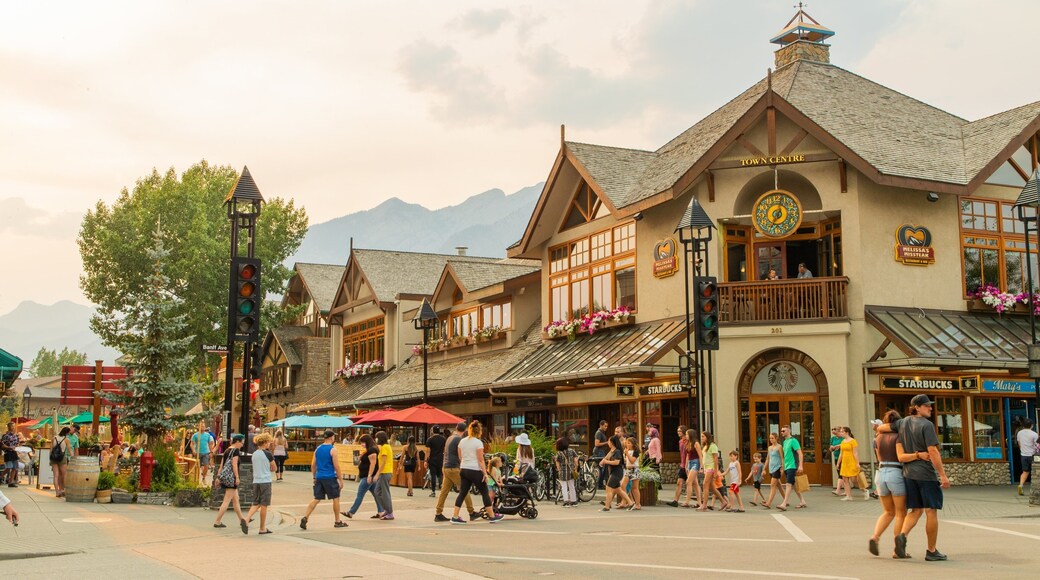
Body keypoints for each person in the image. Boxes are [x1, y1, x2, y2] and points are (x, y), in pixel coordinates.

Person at [886, 395, 950, 562]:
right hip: (925, 474)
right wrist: (943, 475)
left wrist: (879, 429)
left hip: (909, 474)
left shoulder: (902, 422)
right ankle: (931, 550)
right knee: (931, 511)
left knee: (915, 510)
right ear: (917, 407)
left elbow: (883, 427)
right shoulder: (927, 425)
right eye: (927, 406)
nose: (930, 408)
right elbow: (933, 451)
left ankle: (902, 535)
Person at [870, 410, 907, 558]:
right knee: (900, 513)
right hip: (895, 471)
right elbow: (901, 456)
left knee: (888, 511)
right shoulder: (899, 436)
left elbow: (877, 455)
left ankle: (875, 537)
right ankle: (897, 549)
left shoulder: (877, 437)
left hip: (880, 472)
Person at [451, 420, 503, 524]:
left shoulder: (462, 441)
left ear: (469, 430)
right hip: (475, 469)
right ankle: (492, 516)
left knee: (462, 493)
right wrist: (485, 473)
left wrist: (465, 464)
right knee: (484, 492)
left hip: (464, 469)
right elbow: (480, 459)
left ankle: (455, 516)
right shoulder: (478, 443)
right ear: (479, 431)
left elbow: (460, 457)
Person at [299, 430, 347, 530]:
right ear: (331, 437)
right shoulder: (333, 449)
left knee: (317, 498)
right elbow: (336, 466)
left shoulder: (318, 449)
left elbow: (313, 465)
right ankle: (337, 521)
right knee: (335, 498)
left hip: (319, 477)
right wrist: (340, 479)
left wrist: (314, 477)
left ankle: (305, 517)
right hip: (330, 477)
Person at [435, 422, 477, 522]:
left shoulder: (449, 438)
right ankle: (471, 512)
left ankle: (438, 513)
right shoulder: (459, 440)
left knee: (444, 491)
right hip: (454, 467)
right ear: (465, 430)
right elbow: (462, 454)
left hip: (446, 467)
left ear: (456, 428)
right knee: (464, 489)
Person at [343, 434, 382, 519]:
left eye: (363, 442)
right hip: (367, 476)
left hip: (367, 477)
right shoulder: (370, 450)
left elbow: (373, 464)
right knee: (376, 494)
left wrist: (369, 475)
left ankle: (351, 512)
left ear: (367, 442)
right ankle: (381, 511)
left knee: (360, 494)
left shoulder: (372, 450)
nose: (362, 444)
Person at [244, 432, 276, 535]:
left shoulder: (254, 454)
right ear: (265, 443)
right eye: (269, 442)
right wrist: (269, 468)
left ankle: (246, 519)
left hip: (256, 481)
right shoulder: (268, 454)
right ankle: (262, 528)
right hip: (265, 481)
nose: (269, 444)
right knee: (264, 504)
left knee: (256, 503)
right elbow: (274, 468)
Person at [213, 434, 246, 529]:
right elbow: (234, 464)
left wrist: (218, 476)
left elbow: (222, 465)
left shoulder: (227, 450)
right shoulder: (235, 451)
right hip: (231, 478)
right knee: (227, 500)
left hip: (226, 477)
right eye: (242, 443)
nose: (242, 445)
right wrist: (237, 477)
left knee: (236, 499)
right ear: (238, 441)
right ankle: (217, 521)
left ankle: (242, 520)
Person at [776, 425, 807, 511]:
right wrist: (782, 466)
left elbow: (800, 453)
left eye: (784, 431)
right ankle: (802, 501)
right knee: (794, 485)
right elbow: (785, 455)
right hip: (787, 466)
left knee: (788, 484)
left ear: (789, 431)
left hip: (792, 465)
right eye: (781, 431)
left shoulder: (793, 440)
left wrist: (800, 465)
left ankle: (784, 503)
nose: (782, 432)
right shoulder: (785, 442)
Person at [599, 435, 632, 511]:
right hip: (613, 472)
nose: (608, 443)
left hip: (617, 473)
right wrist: (602, 461)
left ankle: (607, 507)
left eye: (609, 441)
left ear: (612, 442)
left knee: (608, 488)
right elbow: (606, 457)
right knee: (618, 490)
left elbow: (617, 462)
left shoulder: (617, 451)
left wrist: (606, 462)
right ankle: (631, 503)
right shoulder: (612, 451)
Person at [370, 430, 396, 520]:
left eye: (376, 438)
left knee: (385, 493)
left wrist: (377, 474)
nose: (375, 439)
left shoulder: (385, 447)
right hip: (385, 472)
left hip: (385, 472)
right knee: (377, 492)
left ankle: (390, 512)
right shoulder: (386, 447)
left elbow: (383, 462)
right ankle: (387, 510)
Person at [697, 431, 726, 511]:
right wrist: (702, 467)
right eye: (701, 436)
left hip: (711, 468)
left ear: (708, 437)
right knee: (712, 487)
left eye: (703, 436)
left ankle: (704, 505)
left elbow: (715, 459)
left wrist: (716, 472)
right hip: (706, 468)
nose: (702, 438)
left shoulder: (713, 446)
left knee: (705, 485)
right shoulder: (705, 446)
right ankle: (723, 501)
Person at [838, 426, 867, 501]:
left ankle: (864, 490)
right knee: (845, 479)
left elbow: (855, 453)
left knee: (854, 480)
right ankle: (849, 496)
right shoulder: (842, 442)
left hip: (851, 462)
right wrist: (838, 463)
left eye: (842, 431)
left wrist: (857, 463)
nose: (841, 433)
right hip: (844, 463)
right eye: (840, 431)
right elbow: (841, 453)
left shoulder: (853, 441)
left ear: (847, 432)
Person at [667, 425, 690, 508]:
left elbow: (688, 454)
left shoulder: (688, 441)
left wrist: (687, 465)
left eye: (680, 431)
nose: (678, 432)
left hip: (688, 465)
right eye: (678, 431)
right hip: (682, 465)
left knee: (693, 483)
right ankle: (675, 501)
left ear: (684, 431)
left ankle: (700, 501)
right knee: (679, 483)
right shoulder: (680, 442)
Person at [555, 437, 579, 507]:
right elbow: (576, 460)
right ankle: (574, 501)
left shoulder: (559, 453)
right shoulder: (572, 450)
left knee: (564, 487)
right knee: (572, 486)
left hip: (563, 472)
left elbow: (557, 462)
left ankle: (566, 502)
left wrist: (558, 469)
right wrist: (575, 467)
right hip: (571, 471)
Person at [1017, 419, 1038, 496]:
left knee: (1025, 472)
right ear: (1031, 426)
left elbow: (1019, 444)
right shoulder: (1034, 434)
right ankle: (1035, 488)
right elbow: (1037, 445)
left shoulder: (1019, 433)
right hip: (1032, 455)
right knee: (1036, 471)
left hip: (1023, 455)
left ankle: (1021, 485)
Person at [620, 437, 641, 510]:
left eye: (629, 443)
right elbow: (627, 461)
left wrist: (627, 454)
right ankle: (627, 501)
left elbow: (632, 461)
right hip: (628, 470)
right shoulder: (627, 451)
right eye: (627, 443)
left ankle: (638, 504)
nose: (627, 444)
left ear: (633, 444)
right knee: (622, 486)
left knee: (634, 488)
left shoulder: (636, 451)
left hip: (634, 470)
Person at [425, 425, 446, 497]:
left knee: (433, 475)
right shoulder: (443, 439)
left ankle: (433, 491)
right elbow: (445, 450)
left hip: (432, 459)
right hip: (440, 459)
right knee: (440, 474)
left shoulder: (430, 439)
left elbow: (427, 451)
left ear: (433, 431)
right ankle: (442, 490)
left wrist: (426, 461)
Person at [51, 427, 72, 498]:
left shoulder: (54, 438)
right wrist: (73, 457)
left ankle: (57, 492)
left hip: (53, 458)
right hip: (62, 458)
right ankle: (64, 490)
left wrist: (50, 459)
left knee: (56, 476)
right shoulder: (66, 440)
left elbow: (51, 450)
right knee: (64, 475)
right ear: (67, 433)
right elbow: (70, 450)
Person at [592, 420, 609, 489]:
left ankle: (600, 484)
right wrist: (606, 442)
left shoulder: (602, 433)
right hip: (599, 452)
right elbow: (596, 444)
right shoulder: (598, 433)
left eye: (607, 426)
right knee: (601, 468)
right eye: (605, 426)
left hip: (602, 451)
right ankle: (600, 484)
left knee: (602, 468)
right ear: (601, 425)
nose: (606, 427)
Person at [2, 423, 20, 487]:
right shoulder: (5, 436)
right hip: (8, 453)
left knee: (14, 468)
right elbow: (2, 445)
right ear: (8, 427)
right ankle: (1, 476)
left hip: (14, 452)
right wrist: (9, 447)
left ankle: (11, 482)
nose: (13, 427)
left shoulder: (16, 435)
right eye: (12, 426)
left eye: (14, 426)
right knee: (9, 467)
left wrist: (17, 446)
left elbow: (17, 443)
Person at [828, 427, 844, 496]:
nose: (833, 431)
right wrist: (832, 447)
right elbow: (830, 449)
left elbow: (845, 444)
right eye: (832, 430)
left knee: (842, 474)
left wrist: (839, 445)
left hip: (843, 457)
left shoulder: (843, 438)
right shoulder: (833, 439)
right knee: (840, 473)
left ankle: (838, 490)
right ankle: (845, 490)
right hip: (836, 457)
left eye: (835, 430)